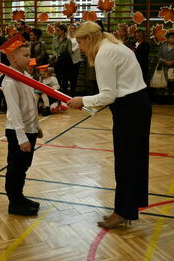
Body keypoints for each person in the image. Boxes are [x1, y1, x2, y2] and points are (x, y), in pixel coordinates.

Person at [67, 21, 152, 229]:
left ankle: (123, 211)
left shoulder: (105, 53)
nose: (80, 47)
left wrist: (82, 101)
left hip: (130, 109)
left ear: (90, 38)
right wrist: (92, 107)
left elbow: (108, 95)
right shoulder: (114, 45)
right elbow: (116, 91)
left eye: (80, 42)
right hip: (136, 105)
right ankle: (127, 208)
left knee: (126, 162)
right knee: (132, 160)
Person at [1, 35, 43, 216]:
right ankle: (14, 202)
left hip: (30, 129)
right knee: (15, 168)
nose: (29, 58)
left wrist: (37, 125)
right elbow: (15, 112)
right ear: (12, 58)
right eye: (25, 55)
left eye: (29, 55)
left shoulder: (26, 76)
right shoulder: (9, 81)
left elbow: (31, 104)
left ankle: (20, 196)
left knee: (23, 167)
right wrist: (22, 138)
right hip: (18, 132)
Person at [52, 24, 73, 94]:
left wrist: (61, 54)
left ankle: (64, 93)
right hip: (57, 61)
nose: (56, 32)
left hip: (65, 61)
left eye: (58, 30)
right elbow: (53, 49)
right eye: (56, 30)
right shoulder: (54, 39)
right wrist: (56, 55)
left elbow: (70, 51)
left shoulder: (68, 40)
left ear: (63, 31)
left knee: (65, 79)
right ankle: (58, 93)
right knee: (58, 78)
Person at [156, 31, 174, 104]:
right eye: (171, 37)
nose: (173, 39)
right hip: (163, 68)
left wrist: (172, 62)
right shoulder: (163, 46)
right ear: (167, 38)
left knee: (172, 84)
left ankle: (171, 99)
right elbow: (158, 56)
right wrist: (164, 61)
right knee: (162, 83)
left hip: (172, 68)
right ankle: (162, 99)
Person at [68, 24, 82, 97]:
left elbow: (78, 46)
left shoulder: (78, 37)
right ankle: (68, 91)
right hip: (67, 59)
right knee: (68, 76)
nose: (72, 30)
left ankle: (73, 92)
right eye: (71, 28)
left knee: (74, 77)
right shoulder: (67, 37)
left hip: (76, 59)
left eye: (74, 28)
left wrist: (71, 51)